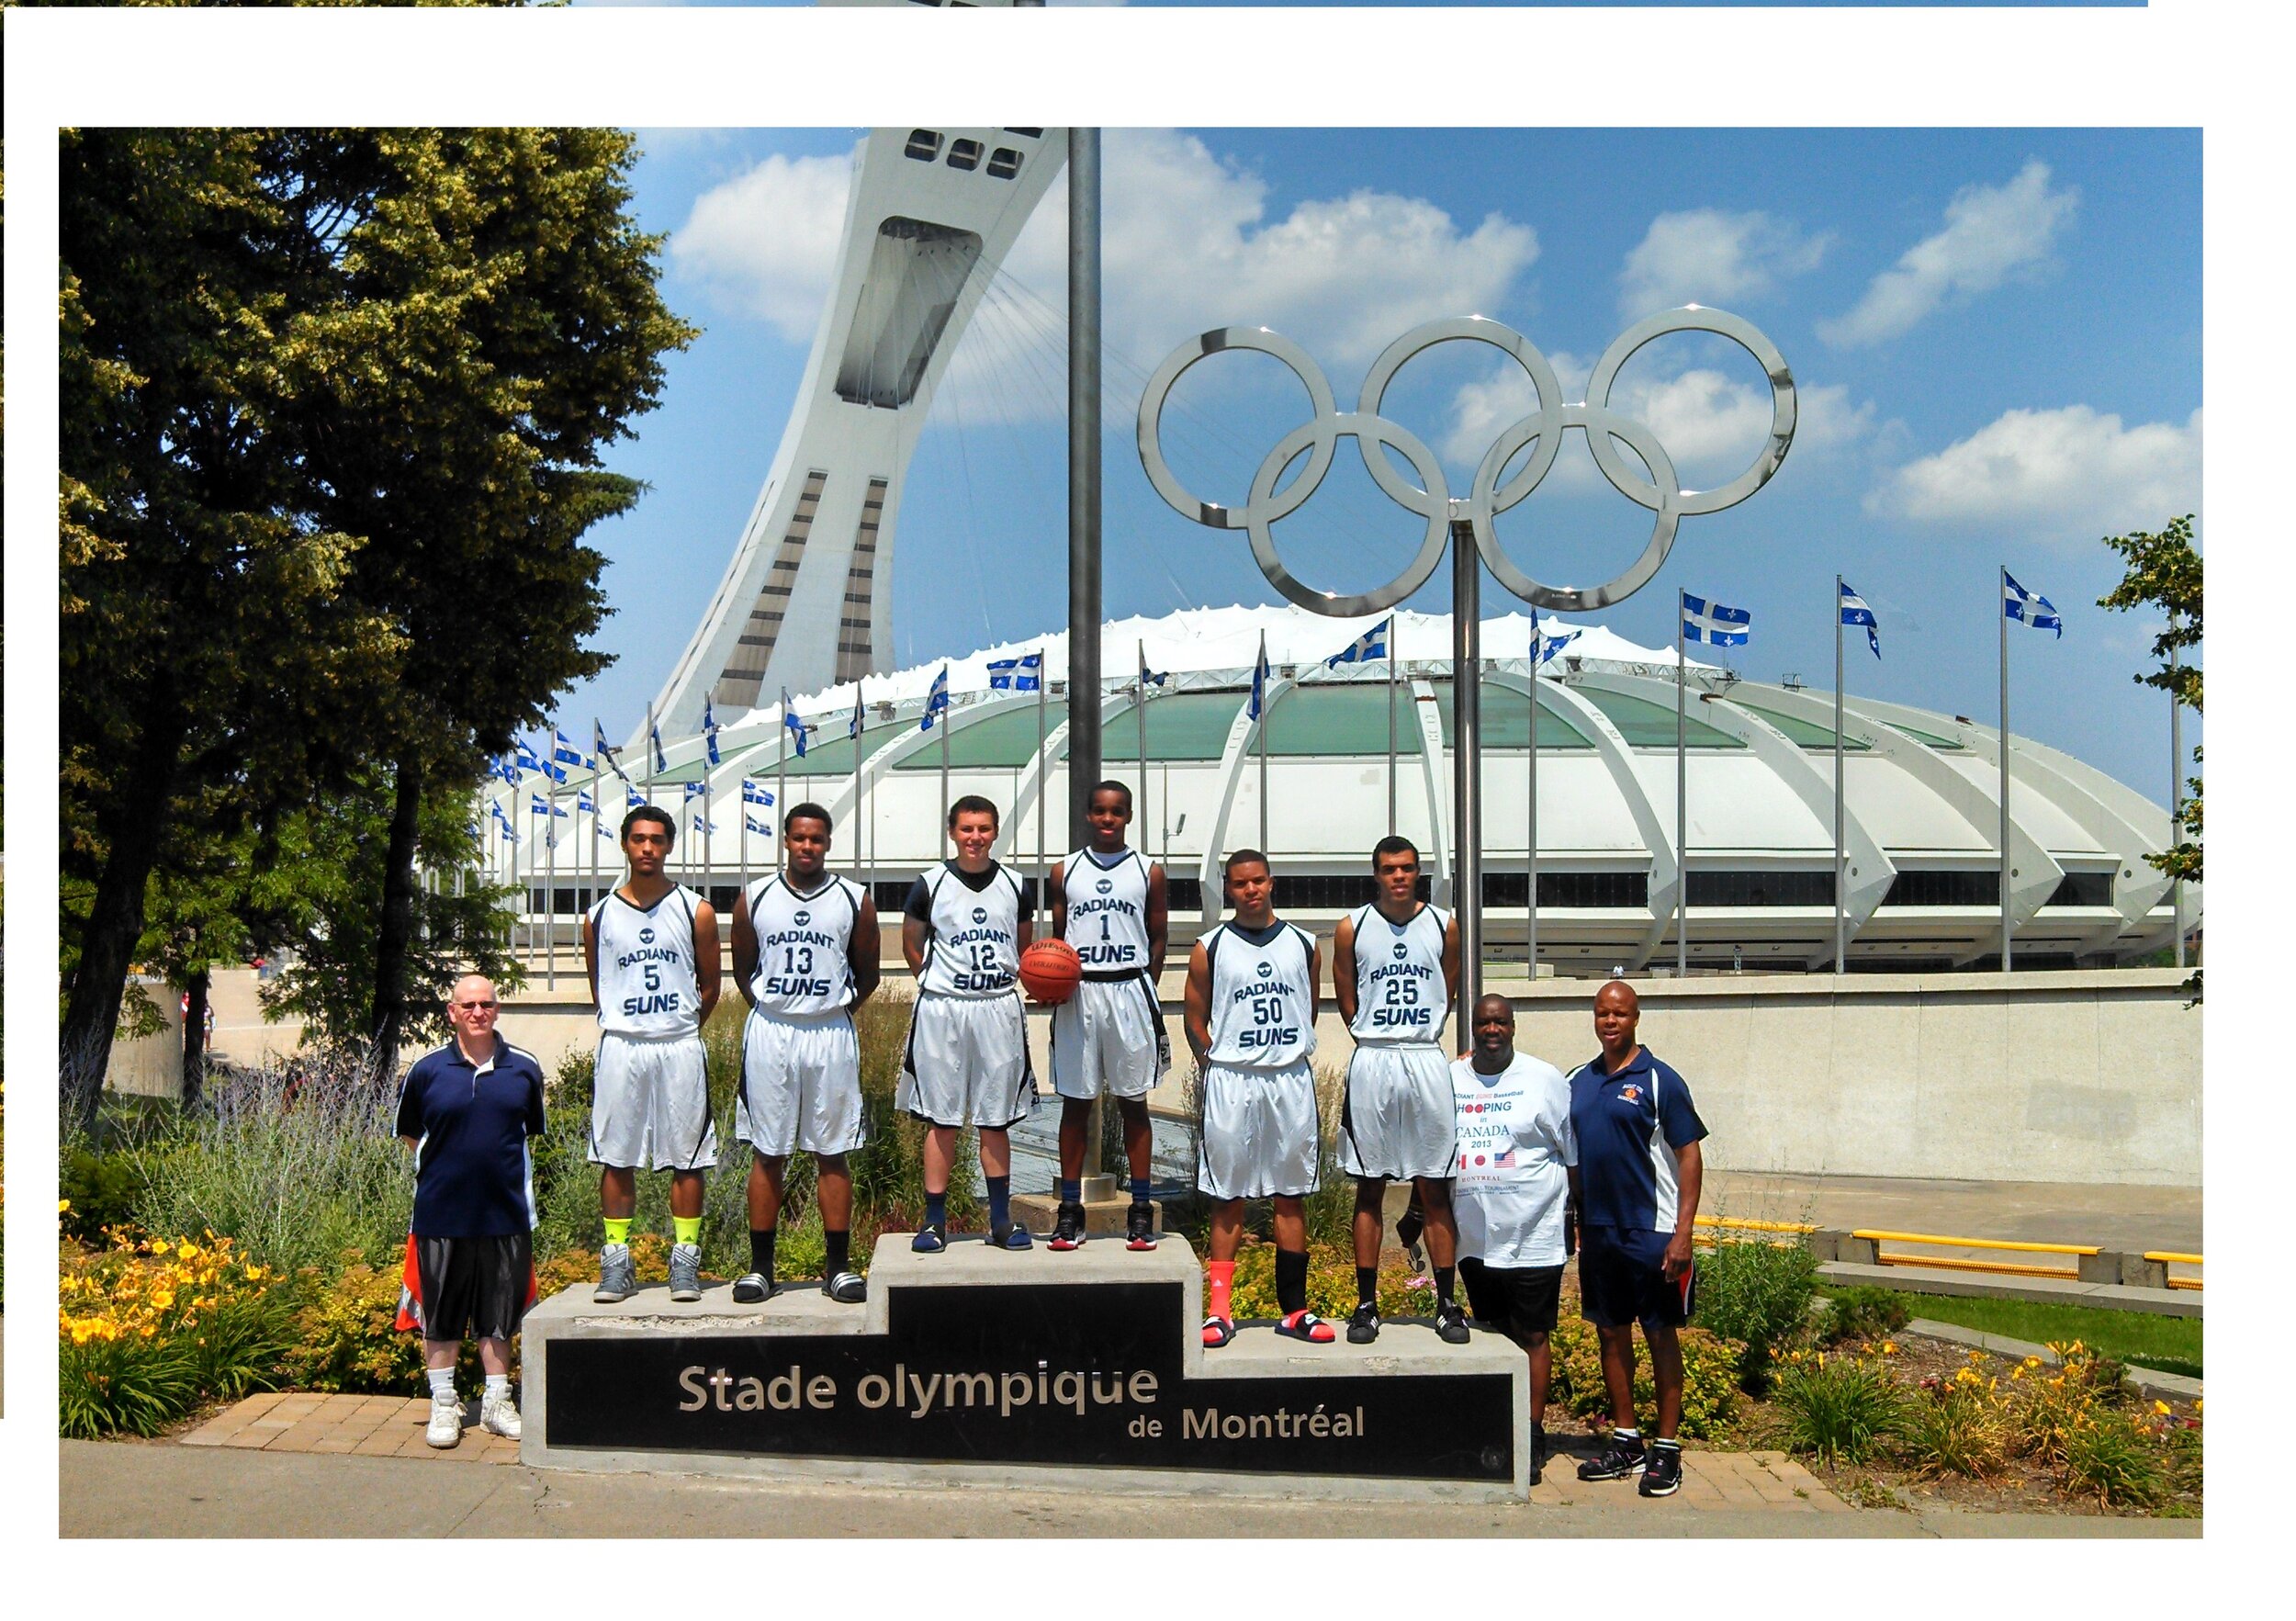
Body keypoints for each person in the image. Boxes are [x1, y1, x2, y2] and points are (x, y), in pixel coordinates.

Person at [729, 801, 882, 1305]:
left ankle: (838, 1267)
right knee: (767, 1150)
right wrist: (782, 1009)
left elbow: (868, 975)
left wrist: (826, 1010)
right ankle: (760, 1269)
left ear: (828, 843)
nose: (808, 846)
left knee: (831, 1150)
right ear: (787, 841)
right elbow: (744, 973)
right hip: (773, 1030)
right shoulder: (754, 897)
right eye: (799, 838)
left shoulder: (854, 898)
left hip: (829, 1031)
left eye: (816, 839)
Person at [1185, 850, 1334, 1348]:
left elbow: (1307, 1008)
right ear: (1228, 888)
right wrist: (1215, 1062)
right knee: (1228, 1195)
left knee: (1290, 1194)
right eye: (1241, 883)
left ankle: (1294, 1309)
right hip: (1232, 1080)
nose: (1251, 890)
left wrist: (1280, 1049)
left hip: (1287, 1078)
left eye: (1259, 881)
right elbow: (1193, 1016)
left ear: (1272, 883)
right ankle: (1219, 1311)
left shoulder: (1304, 943)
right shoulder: (1211, 946)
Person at [394, 974, 547, 1448]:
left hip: (506, 1213)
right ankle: (443, 1405)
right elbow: (410, 1134)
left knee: (499, 1313)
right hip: (440, 1214)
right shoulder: (425, 1070)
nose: (478, 1012)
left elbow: (529, 1132)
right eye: (468, 1005)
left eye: (487, 1004)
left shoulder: (525, 1068)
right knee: (441, 1314)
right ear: (452, 1012)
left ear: (497, 1010)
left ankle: (497, 1404)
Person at [1568, 979, 1708, 1499]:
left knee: (1659, 1335)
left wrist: (1683, 1233)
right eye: (1603, 1013)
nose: (1610, 1022)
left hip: (1653, 1233)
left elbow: (1690, 1156)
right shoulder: (1578, 1081)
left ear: (1636, 1018)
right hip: (1599, 1232)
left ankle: (1666, 1448)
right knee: (1610, 1332)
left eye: (1620, 1014)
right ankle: (1627, 1440)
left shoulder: (1661, 1081)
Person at [583, 804, 722, 1305]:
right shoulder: (598, 915)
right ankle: (617, 1263)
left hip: (678, 1045)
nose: (647, 848)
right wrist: (631, 1023)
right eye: (639, 838)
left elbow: (711, 987)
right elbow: (601, 988)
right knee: (616, 1156)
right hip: (622, 1045)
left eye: (657, 839)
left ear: (668, 845)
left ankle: (685, 1262)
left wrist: (677, 1026)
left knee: (687, 1158)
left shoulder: (695, 909)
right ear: (624, 844)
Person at [1332, 837, 1467, 1345]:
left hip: (1424, 1057)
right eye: (1390, 869)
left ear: (1418, 872)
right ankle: (1366, 1304)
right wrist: (1370, 1033)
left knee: (1434, 1185)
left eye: (1408, 868)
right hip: (1374, 1056)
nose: (1399, 877)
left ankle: (1447, 1303)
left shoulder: (1443, 924)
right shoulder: (1354, 927)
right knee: (1369, 1185)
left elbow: (1447, 990)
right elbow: (1346, 996)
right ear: (1376, 874)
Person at [896, 794, 1035, 1251]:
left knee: (996, 1120)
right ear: (953, 832)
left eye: (984, 828)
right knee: (943, 1120)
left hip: (997, 1005)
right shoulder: (930, 884)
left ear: (995, 832)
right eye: (967, 829)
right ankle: (934, 1222)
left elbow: (1022, 944)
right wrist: (935, 980)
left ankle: (1000, 1219)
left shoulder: (1016, 884)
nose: (975, 837)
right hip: (944, 1009)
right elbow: (912, 944)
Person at [1450, 994, 1574, 1482]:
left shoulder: (1545, 1079)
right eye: (1483, 1022)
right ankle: (1498, 1426)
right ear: (1473, 1030)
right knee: (1493, 1332)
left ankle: (1532, 1431)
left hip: (1534, 1235)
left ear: (1514, 1027)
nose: (1492, 1030)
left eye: (1500, 1022)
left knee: (1532, 1335)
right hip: (1475, 1238)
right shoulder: (1451, 1077)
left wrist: (1575, 1216)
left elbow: (1572, 1152)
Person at [1046, 780, 1169, 1252]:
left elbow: (1158, 935)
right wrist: (1053, 982)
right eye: (1099, 811)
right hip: (1081, 992)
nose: (1107, 819)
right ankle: (1070, 1212)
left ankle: (1139, 1210)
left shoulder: (1148, 871)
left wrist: (1147, 987)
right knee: (1076, 1103)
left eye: (1116, 812)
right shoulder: (1065, 870)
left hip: (1129, 987)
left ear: (1129, 816)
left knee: (1133, 1102)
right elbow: (1058, 940)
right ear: (1088, 815)